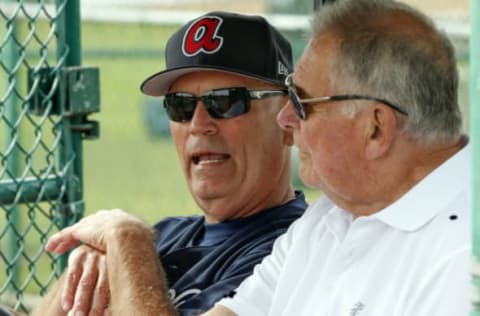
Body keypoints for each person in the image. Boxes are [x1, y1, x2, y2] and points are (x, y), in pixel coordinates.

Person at [40, 0, 472, 315]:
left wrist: (127, 242)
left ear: (375, 127)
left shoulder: (461, 260)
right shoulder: (324, 226)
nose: (289, 118)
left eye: (303, 103)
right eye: (179, 106)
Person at [29, 11, 307, 316]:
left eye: (225, 101)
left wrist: (125, 240)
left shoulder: (297, 251)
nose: (199, 124)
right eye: (181, 105)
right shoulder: (165, 234)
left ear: (289, 119)